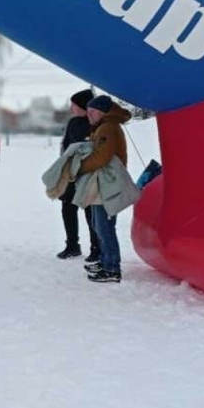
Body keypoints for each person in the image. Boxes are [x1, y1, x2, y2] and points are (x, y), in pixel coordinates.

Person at [78, 95, 131, 283]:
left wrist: (80, 166)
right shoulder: (103, 126)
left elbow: (102, 157)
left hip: (107, 184)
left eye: (92, 112)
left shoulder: (108, 128)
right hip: (102, 182)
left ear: (101, 112)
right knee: (98, 224)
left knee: (104, 226)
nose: (89, 116)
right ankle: (104, 260)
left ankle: (111, 268)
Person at [56, 89, 99, 261]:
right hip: (72, 174)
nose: (71, 108)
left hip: (84, 174)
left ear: (83, 106)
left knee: (88, 211)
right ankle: (74, 245)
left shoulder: (90, 124)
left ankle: (94, 247)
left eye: (74, 105)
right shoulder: (77, 122)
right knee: (69, 208)